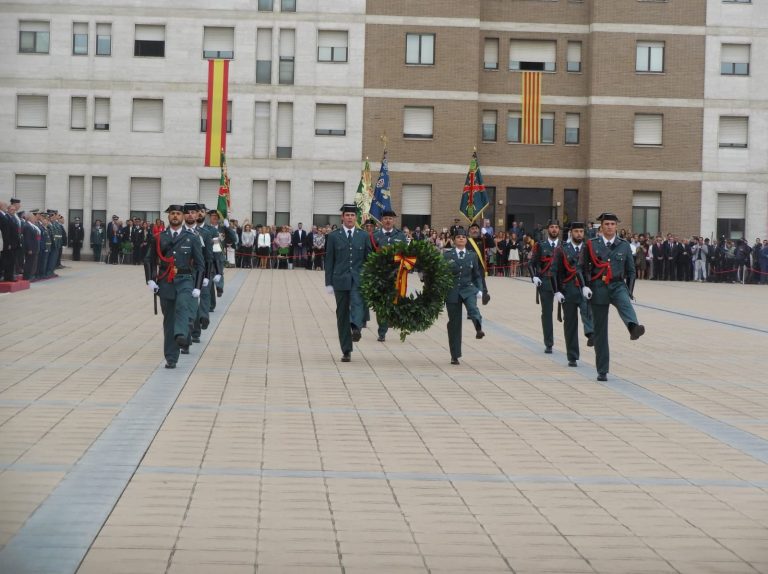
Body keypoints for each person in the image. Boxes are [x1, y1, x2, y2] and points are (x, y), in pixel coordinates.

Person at [582, 212, 645, 382]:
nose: (610, 227)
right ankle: (602, 370)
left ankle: (633, 328)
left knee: (626, 304)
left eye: (612, 224)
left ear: (617, 226)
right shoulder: (591, 244)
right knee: (600, 331)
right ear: (601, 227)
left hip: (617, 285)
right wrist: (585, 286)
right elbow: (582, 267)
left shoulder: (624, 245)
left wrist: (630, 291)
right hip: (598, 288)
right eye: (607, 224)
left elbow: (631, 271)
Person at [144, 205, 204, 369]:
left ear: (183, 217)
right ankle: (171, 357)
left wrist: (197, 285)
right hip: (165, 281)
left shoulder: (191, 237)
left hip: (185, 279)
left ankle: (182, 334)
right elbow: (149, 259)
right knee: (169, 319)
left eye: (178, 213)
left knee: (183, 306)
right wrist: (150, 280)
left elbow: (200, 264)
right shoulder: (159, 237)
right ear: (168, 217)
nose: (175, 216)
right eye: (173, 214)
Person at [325, 203, 372, 362]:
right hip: (340, 279)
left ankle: (356, 327)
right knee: (342, 314)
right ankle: (346, 350)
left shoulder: (363, 235)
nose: (350, 218)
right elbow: (329, 260)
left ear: (356, 218)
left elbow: (369, 259)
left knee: (358, 302)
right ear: (342, 217)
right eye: (347, 215)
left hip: (359, 279)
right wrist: (328, 283)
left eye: (352, 215)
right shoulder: (333, 236)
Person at [553, 222, 594, 367]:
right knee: (570, 324)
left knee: (588, 313)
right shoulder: (562, 249)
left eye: (581, 231)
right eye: (576, 231)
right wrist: (557, 290)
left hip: (584, 288)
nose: (579, 234)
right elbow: (555, 271)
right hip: (568, 288)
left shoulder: (589, 248)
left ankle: (590, 334)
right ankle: (572, 355)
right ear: (571, 233)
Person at [444, 228, 485, 365]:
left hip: (468, 288)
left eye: (463, 237)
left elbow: (477, 275)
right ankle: (454, 355)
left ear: (467, 240)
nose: (461, 239)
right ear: (454, 240)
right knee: (454, 323)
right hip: (452, 291)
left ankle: (478, 328)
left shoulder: (472, 255)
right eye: (458, 237)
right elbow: (441, 273)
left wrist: (480, 289)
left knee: (473, 309)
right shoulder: (447, 256)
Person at [371, 209, 406, 342]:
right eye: (385, 218)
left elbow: (406, 254)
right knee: (381, 303)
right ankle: (382, 331)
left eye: (390, 218)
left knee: (394, 300)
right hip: (380, 274)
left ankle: (391, 320)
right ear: (382, 220)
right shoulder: (375, 235)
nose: (387, 221)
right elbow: (370, 254)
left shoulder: (401, 236)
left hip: (397, 274)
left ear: (394, 221)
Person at [528, 219, 561, 354]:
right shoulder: (540, 245)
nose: (554, 229)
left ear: (559, 230)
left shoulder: (564, 245)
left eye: (556, 227)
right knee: (547, 314)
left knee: (570, 314)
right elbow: (531, 263)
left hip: (561, 283)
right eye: (552, 227)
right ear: (548, 229)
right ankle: (549, 343)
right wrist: (534, 277)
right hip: (546, 282)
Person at [467, 223, 492, 305]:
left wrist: (486, 234)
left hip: (480, 266)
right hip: (469, 267)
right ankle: (471, 309)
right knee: (471, 288)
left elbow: (492, 244)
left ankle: (484, 295)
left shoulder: (482, 240)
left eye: (476, 228)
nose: (475, 230)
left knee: (481, 281)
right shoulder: (466, 240)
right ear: (470, 231)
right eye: (473, 229)